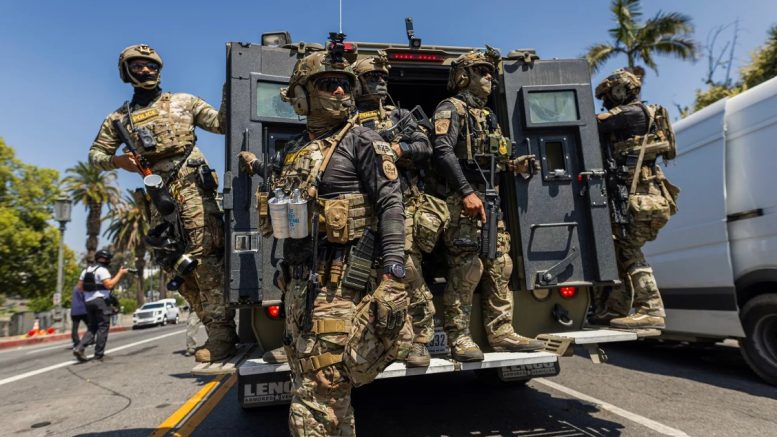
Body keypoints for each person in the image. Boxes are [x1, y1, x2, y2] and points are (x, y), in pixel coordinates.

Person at [239, 45, 407, 436]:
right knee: (313, 384)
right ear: (301, 95)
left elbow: (391, 205)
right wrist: (256, 165)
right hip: (299, 286)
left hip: (341, 287)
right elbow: (285, 183)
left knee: (321, 392)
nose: (340, 92)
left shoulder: (363, 141)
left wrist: (393, 275)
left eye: (345, 85)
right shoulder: (295, 150)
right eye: (328, 84)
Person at [89, 44, 238, 363]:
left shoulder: (184, 102)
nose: (145, 70)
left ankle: (222, 334)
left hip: (193, 186)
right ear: (126, 72)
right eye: (137, 65)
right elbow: (95, 156)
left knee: (205, 259)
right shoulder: (118, 119)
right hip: (159, 195)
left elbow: (222, 123)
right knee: (176, 265)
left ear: (159, 69)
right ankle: (213, 323)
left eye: (150, 65)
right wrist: (119, 162)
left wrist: (231, 86)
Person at [432, 48, 545, 362]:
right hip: (462, 200)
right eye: (482, 72)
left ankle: (501, 332)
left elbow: (492, 158)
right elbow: (443, 153)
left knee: (499, 264)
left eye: (491, 73)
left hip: (489, 199)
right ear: (464, 76)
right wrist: (467, 192)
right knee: (467, 268)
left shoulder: (488, 115)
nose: (489, 78)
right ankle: (459, 337)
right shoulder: (450, 108)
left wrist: (514, 165)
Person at [350, 53, 440, 367]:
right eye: (371, 77)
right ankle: (374, 340)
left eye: (382, 76)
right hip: (361, 210)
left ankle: (420, 340)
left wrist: (399, 148)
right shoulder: (348, 121)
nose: (379, 81)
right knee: (357, 275)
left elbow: (426, 147)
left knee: (408, 271)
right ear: (357, 82)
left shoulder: (399, 115)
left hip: (402, 205)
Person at [592, 68, 679, 329]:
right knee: (620, 248)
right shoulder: (642, 113)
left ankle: (651, 308)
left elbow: (593, 123)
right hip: (647, 195)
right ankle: (614, 308)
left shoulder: (631, 113)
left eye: (609, 94)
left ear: (621, 91)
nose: (606, 100)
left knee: (629, 250)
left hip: (641, 197)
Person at [73, 250, 128, 361]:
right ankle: (99, 355)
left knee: (92, 327)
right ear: (107, 260)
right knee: (103, 327)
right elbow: (109, 284)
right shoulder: (102, 270)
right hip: (101, 302)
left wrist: (90, 293)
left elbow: (80, 287)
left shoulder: (86, 270)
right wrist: (120, 273)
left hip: (88, 302)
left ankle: (79, 347)